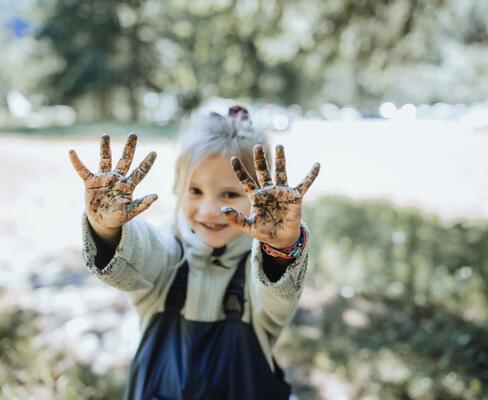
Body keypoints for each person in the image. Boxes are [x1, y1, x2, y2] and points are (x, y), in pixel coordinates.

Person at [69, 105, 320, 400]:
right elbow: (137, 257)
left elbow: (278, 296)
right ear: (178, 188)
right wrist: (107, 229)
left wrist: (279, 249)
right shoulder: (168, 254)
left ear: (258, 198)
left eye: (230, 194)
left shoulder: (259, 270)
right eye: (195, 191)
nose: (209, 210)